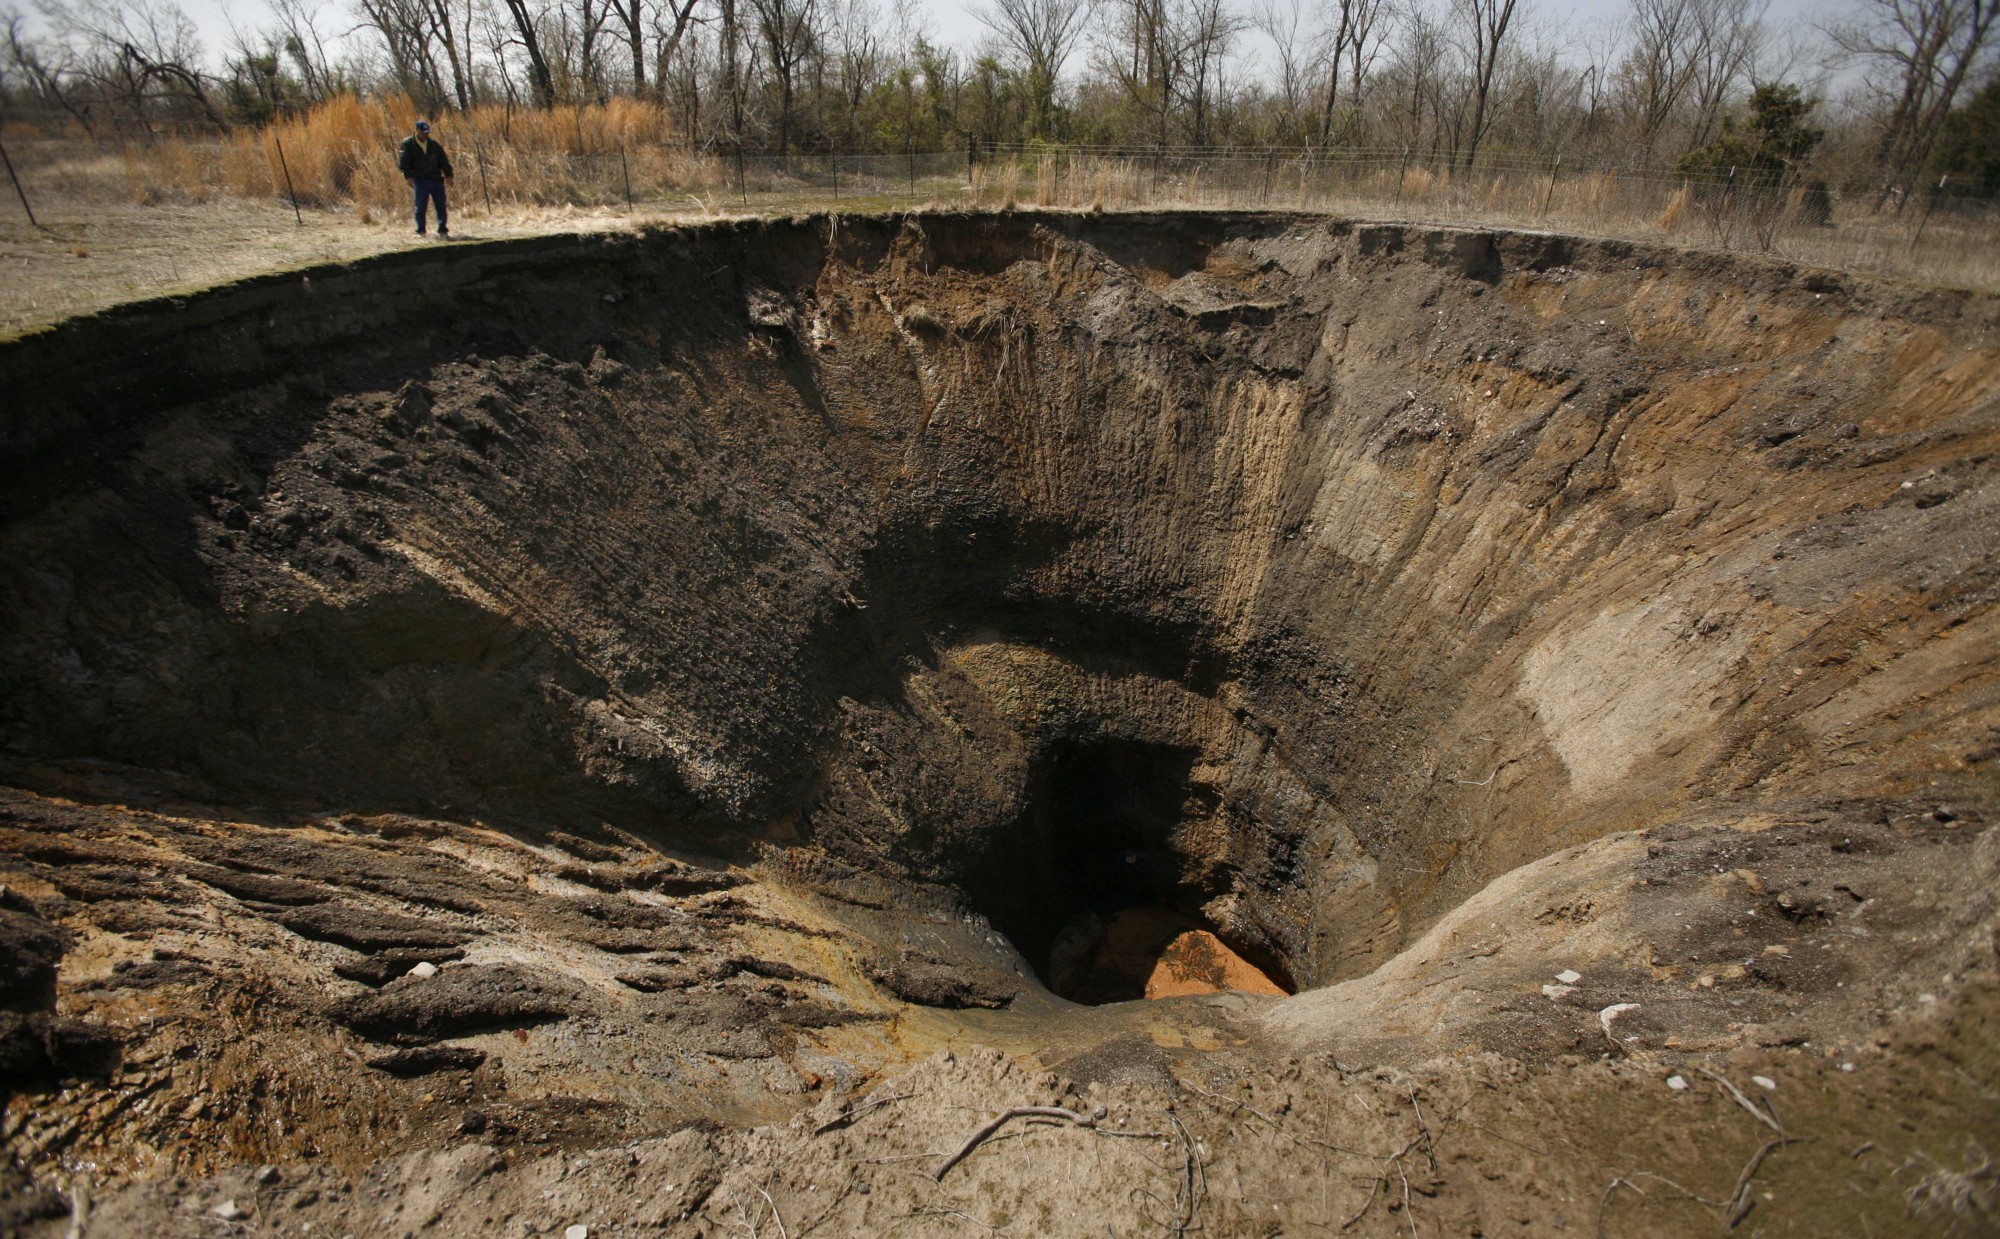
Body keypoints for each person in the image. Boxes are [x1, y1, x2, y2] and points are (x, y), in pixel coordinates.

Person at [397, 119, 454, 238]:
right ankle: (421, 231)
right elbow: (404, 162)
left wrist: (449, 175)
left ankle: (442, 230)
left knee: (441, 205)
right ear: (417, 130)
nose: (426, 134)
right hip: (420, 180)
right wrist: (408, 177)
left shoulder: (434, 145)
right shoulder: (408, 144)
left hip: (436, 179)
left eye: (427, 132)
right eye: (423, 132)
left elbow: (443, 160)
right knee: (421, 206)